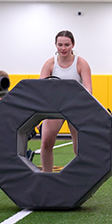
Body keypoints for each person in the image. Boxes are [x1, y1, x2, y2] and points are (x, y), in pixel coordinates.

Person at [39, 30, 92, 172]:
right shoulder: (50, 63)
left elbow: (88, 89)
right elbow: (41, 88)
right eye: (60, 44)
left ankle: (82, 180)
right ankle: (47, 178)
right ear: (55, 45)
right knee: (46, 143)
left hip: (75, 108)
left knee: (79, 147)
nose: (63, 48)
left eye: (67, 45)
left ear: (72, 45)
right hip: (55, 107)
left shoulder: (81, 63)